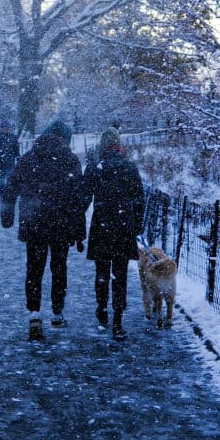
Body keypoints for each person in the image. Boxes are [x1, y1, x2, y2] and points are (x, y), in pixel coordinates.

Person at [0, 118, 86, 341]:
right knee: (59, 269)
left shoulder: (29, 158)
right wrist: (79, 232)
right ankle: (57, 313)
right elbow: (78, 199)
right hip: (61, 225)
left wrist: (7, 215)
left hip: (33, 222)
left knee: (34, 269)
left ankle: (34, 314)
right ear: (65, 139)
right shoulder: (70, 160)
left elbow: (10, 187)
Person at [80, 127, 145, 340]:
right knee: (120, 274)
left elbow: (84, 198)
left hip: (102, 225)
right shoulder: (129, 167)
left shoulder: (95, 168)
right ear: (118, 144)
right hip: (123, 226)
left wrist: (76, 225)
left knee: (102, 271)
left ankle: (101, 308)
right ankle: (118, 318)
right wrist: (137, 226)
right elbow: (139, 199)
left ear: (102, 145)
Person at [0, 121, 20, 194]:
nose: (5, 129)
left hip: (10, 162)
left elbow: (17, 150)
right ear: (1, 128)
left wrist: (18, 159)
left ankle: (9, 194)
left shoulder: (13, 138)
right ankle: (2, 195)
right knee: (1, 181)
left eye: (6, 127)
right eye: (3, 127)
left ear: (8, 128)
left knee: (10, 180)